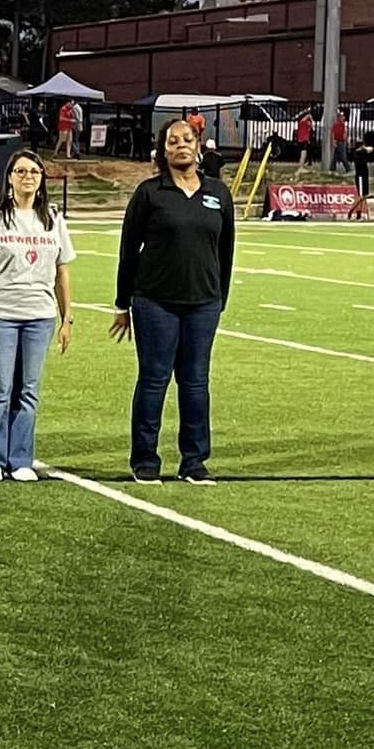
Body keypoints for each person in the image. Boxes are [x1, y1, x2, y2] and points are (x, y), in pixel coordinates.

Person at [111, 117, 234, 485]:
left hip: (204, 303)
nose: (180, 145)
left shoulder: (218, 193)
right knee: (154, 380)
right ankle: (145, 459)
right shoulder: (150, 193)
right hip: (154, 302)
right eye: (172, 141)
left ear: (198, 145)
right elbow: (128, 249)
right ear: (162, 150)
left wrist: (219, 297)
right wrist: (123, 303)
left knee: (196, 382)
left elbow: (225, 250)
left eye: (187, 139)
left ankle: (194, 460)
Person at [0, 150, 74, 483]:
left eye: (34, 172)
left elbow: (62, 273)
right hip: (0, 316)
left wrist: (67, 318)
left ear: (42, 179)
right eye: (21, 171)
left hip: (40, 317)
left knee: (28, 390)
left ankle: (21, 457)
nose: (28, 176)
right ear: (9, 177)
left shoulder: (53, 219)